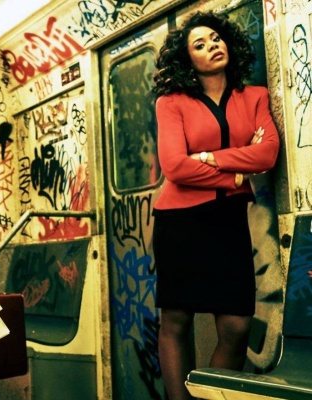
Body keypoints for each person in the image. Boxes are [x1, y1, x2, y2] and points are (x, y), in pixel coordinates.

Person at [152, 11, 279, 400]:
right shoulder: (171, 103)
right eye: (200, 44)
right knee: (176, 318)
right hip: (180, 222)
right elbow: (175, 166)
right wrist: (237, 175)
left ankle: (209, 396)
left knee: (237, 325)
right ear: (187, 59)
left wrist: (210, 158)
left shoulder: (255, 97)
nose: (212, 46)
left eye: (216, 38)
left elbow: (268, 153)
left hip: (228, 221)